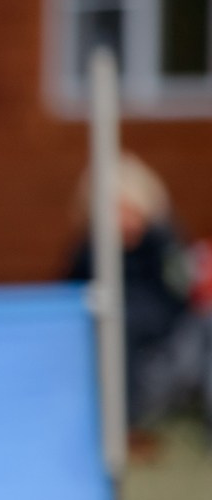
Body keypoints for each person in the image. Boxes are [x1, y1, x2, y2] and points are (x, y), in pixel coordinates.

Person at [67, 155, 211, 446]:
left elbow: (181, 293)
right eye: (117, 210)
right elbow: (69, 299)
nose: (126, 220)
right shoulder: (91, 252)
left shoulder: (163, 242)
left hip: (172, 351)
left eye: (132, 210)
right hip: (121, 371)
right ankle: (123, 423)